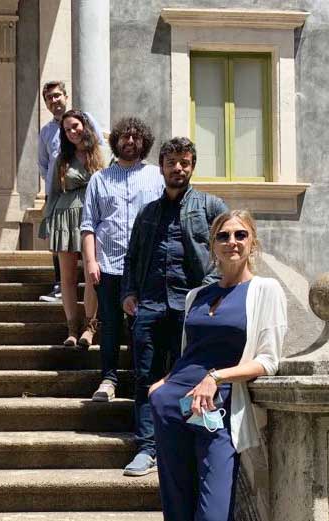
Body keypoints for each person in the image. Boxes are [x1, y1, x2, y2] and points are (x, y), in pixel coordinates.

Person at [149, 209, 287, 521]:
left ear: (252, 242)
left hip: (217, 407)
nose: (232, 242)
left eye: (240, 234)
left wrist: (216, 377)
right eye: (223, 236)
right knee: (176, 504)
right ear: (213, 245)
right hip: (171, 405)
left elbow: (268, 361)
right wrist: (164, 383)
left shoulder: (265, 290)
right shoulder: (196, 296)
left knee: (213, 511)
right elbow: (190, 352)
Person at [119, 137, 229, 477]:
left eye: (184, 162)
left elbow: (227, 253)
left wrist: (208, 292)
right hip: (150, 306)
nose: (178, 168)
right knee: (145, 377)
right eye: (171, 163)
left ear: (192, 166)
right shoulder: (148, 212)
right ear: (162, 167)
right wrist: (129, 292)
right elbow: (132, 257)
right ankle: (147, 447)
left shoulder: (210, 206)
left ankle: (191, 445)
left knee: (192, 376)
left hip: (191, 308)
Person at [81, 116, 163, 402]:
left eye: (135, 136)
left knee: (143, 326)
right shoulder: (99, 179)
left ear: (144, 141)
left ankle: (144, 381)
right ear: (115, 141)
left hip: (145, 268)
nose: (129, 141)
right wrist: (90, 262)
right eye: (124, 137)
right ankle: (109, 379)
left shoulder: (156, 176)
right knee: (110, 325)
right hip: (109, 265)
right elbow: (88, 225)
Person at [37, 80, 104, 303]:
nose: (54, 101)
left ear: (65, 97)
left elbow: (100, 147)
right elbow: (44, 164)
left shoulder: (85, 119)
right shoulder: (46, 132)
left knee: (89, 246)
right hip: (61, 191)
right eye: (49, 98)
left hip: (89, 192)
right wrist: (59, 183)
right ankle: (59, 285)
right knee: (62, 241)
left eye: (57, 95)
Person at [43, 109, 105, 347]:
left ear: (85, 126)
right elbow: (53, 192)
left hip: (92, 217)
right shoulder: (62, 158)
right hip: (65, 217)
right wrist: (48, 224)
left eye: (75, 126)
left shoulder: (99, 154)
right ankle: (71, 329)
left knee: (92, 275)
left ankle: (90, 327)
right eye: (67, 129)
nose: (72, 132)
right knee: (67, 279)